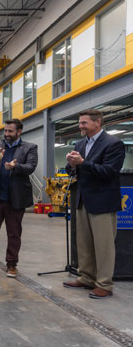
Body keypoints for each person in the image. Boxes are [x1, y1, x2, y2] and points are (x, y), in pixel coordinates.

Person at [63, 109, 125, 299]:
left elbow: (109, 172)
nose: (80, 126)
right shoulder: (81, 143)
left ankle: (104, 284)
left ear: (97, 122)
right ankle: (87, 277)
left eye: (84, 123)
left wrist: (82, 163)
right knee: (84, 243)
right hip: (82, 200)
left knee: (103, 245)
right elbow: (74, 170)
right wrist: (71, 164)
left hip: (103, 202)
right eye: (80, 123)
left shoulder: (113, 144)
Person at [0, 119, 38, 277]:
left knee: (14, 234)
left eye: (10, 131)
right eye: (5, 131)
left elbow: (31, 167)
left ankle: (11, 265)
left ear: (19, 132)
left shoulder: (30, 148)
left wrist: (15, 166)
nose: (6, 134)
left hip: (16, 199)